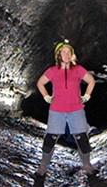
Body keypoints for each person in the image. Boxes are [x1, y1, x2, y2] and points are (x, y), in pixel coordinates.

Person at [35, 41, 97, 176]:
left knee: (82, 138)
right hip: (57, 110)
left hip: (76, 109)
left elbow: (91, 80)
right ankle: (43, 166)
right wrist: (46, 96)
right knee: (50, 138)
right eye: (64, 52)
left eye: (69, 52)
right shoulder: (52, 71)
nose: (67, 54)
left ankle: (87, 165)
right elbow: (40, 83)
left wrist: (86, 95)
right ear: (58, 55)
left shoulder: (78, 69)